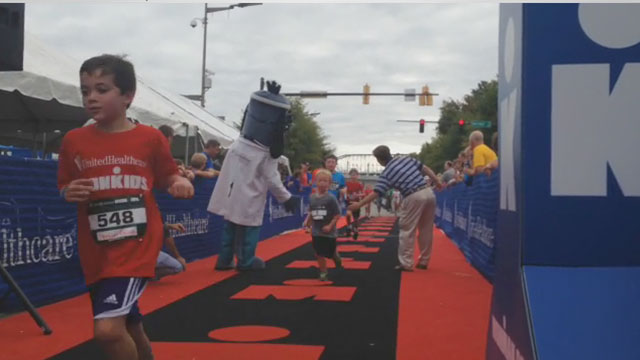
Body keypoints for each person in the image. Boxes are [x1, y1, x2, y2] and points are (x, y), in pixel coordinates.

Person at [57, 54, 194, 360]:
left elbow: (166, 175)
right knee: (130, 328)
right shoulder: (73, 141)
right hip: (97, 251)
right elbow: (65, 183)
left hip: (137, 245)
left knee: (107, 331)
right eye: (85, 90)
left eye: (101, 89)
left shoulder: (150, 138)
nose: (91, 98)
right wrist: (68, 192)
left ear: (128, 96)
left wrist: (178, 182)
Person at [208, 80, 299, 271]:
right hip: (250, 196)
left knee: (230, 227)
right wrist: (287, 198)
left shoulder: (237, 145)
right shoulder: (264, 153)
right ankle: (246, 261)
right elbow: (272, 178)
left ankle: (224, 260)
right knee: (249, 230)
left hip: (231, 195)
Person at [348, 145, 442, 271]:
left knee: (407, 229)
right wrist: (437, 181)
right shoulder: (405, 159)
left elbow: (376, 192)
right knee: (426, 229)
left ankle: (406, 263)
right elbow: (424, 168)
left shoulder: (386, 173)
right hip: (428, 192)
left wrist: (359, 205)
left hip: (412, 195)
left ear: (379, 160)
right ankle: (424, 260)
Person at [303, 169, 343, 281]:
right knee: (318, 253)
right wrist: (308, 222)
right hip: (316, 231)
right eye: (320, 180)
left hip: (329, 232)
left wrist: (330, 226)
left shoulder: (331, 198)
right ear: (316, 182)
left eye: (325, 181)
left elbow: (337, 214)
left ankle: (337, 258)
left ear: (329, 184)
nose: (322, 183)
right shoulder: (312, 197)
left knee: (330, 254)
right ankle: (323, 272)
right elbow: (311, 211)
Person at [345, 168, 364, 239]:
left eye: (355, 175)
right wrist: (346, 195)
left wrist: (358, 195)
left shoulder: (359, 184)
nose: (354, 176)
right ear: (350, 175)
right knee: (348, 214)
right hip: (348, 202)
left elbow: (363, 193)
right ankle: (349, 226)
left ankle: (355, 228)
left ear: (357, 176)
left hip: (356, 203)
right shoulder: (347, 183)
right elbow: (344, 191)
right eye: (352, 175)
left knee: (356, 217)